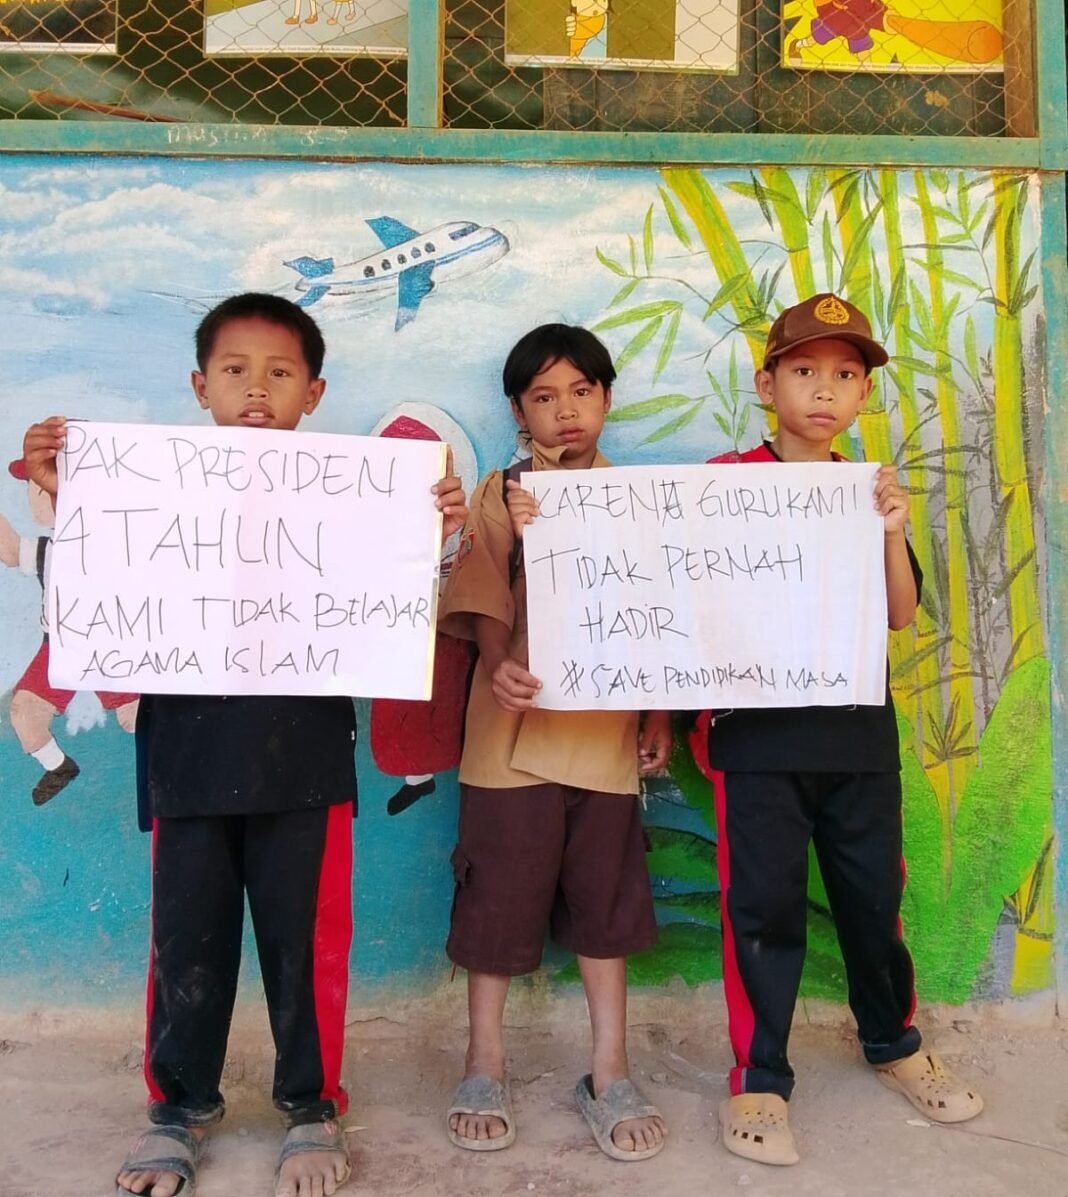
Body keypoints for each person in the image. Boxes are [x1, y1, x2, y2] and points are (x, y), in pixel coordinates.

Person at [22, 293, 468, 1197]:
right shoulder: (144, 485)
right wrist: (67, 486)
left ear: (315, 391)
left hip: (306, 758)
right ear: (200, 385)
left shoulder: (350, 493)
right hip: (185, 756)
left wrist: (436, 526)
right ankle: (179, 1108)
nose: (257, 389)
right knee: (188, 942)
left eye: (281, 372)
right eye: (235, 370)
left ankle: (311, 1105)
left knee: (308, 946)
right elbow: (88, 570)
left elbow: (402, 595)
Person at [705, 293, 983, 1167]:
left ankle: (893, 1042)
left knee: (871, 899)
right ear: (767, 382)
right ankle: (759, 1076)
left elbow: (901, 615)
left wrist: (892, 531)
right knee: (763, 908)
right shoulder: (724, 481)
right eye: (804, 370)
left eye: (845, 374)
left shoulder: (869, 489)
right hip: (757, 741)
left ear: (863, 394)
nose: (824, 390)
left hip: (858, 734)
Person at [437, 323, 672, 1162]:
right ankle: (483, 1061)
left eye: (581, 391)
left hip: (603, 736)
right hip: (509, 732)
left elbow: (658, 622)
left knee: (605, 904)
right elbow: (474, 599)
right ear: (517, 410)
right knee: (498, 899)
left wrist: (657, 713)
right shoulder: (505, 492)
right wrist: (498, 663)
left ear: (607, 398)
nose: (565, 411)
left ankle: (609, 1069)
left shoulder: (638, 500)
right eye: (544, 395)